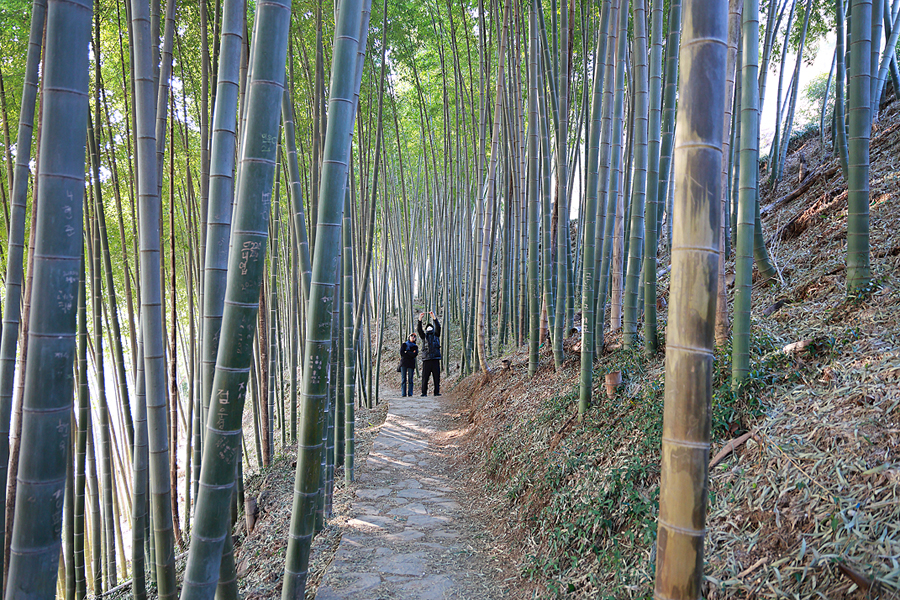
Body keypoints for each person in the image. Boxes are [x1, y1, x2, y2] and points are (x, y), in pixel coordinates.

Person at [417, 311, 441, 397]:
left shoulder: (436, 335)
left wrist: (434, 317)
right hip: (426, 359)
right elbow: (419, 330)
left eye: (431, 327)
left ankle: (436, 392)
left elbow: (438, 327)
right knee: (425, 377)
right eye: (428, 327)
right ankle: (424, 392)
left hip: (435, 358)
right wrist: (420, 319)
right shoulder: (424, 336)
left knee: (436, 377)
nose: (430, 328)